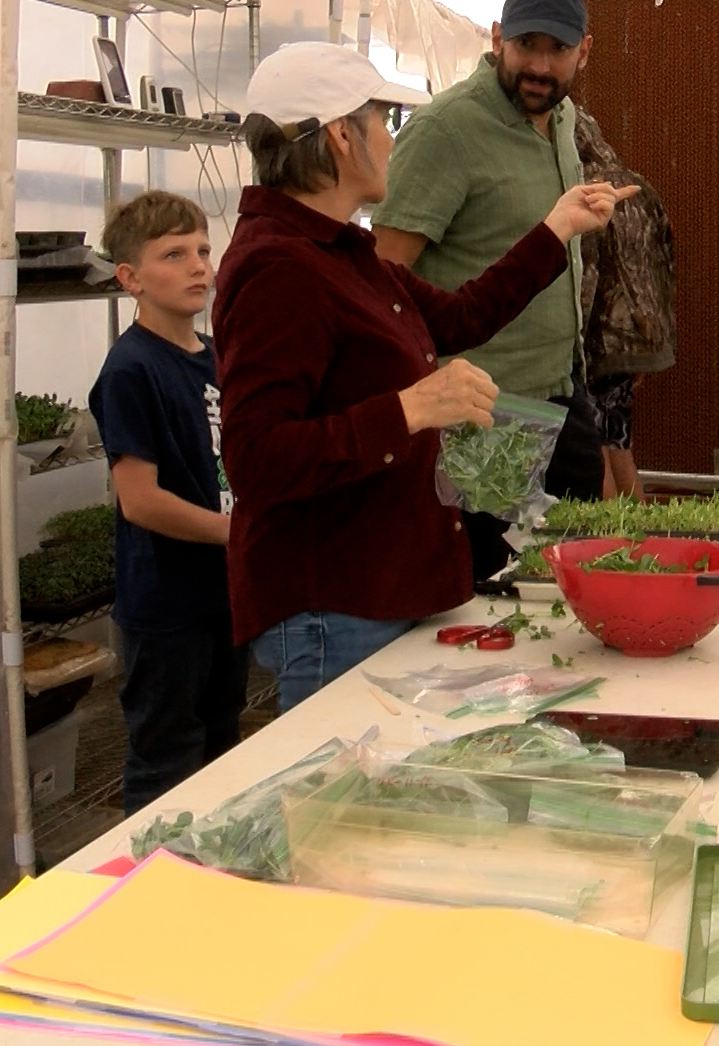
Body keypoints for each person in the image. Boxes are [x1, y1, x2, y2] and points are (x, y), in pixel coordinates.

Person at [213, 42, 632, 712]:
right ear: (342, 138)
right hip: (336, 605)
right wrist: (408, 410)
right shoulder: (279, 270)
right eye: (383, 119)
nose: (392, 137)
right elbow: (255, 459)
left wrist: (559, 227)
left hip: (383, 589)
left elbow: (463, 315)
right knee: (352, 809)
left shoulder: (342, 256)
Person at [372, 0, 606, 580]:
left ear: (585, 50)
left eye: (558, 50)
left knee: (575, 594)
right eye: (528, 45)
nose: (542, 66)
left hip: (560, 399)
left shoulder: (565, 117)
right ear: (499, 37)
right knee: (487, 605)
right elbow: (380, 281)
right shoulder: (445, 129)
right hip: (480, 421)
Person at [87, 191, 247, 815]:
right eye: (174, 254)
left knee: (223, 745)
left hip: (222, 595)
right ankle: (151, 889)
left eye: (203, 251)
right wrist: (234, 533)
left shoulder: (213, 358)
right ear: (130, 277)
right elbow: (141, 501)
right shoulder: (130, 370)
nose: (198, 267)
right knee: (166, 760)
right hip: (167, 606)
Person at [574, 107, 675, 500]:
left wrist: (574, 345)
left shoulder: (584, 190)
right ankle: (641, 540)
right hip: (639, 334)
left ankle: (610, 543)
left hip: (599, 337)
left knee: (594, 444)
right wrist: (655, 337)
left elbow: (586, 275)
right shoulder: (641, 187)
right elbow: (665, 265)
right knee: (618, 441)